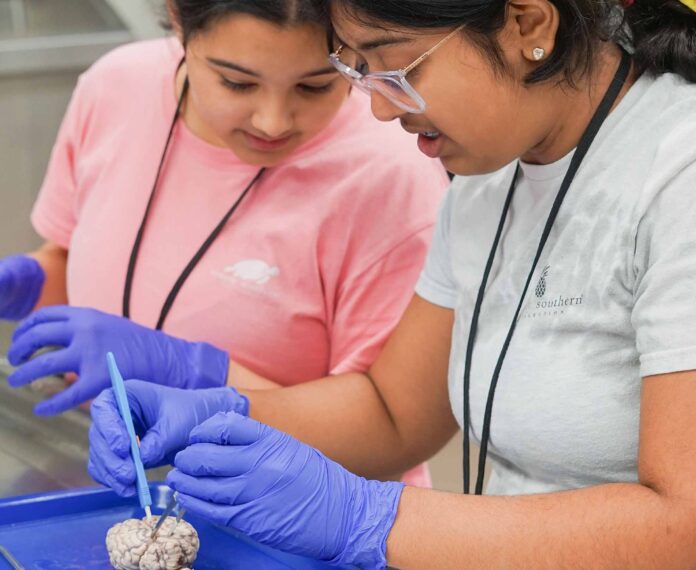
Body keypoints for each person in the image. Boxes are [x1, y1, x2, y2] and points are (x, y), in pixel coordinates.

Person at [89, 0, 696, 567]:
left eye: (397, 64)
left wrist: (367, 517)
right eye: (358, 68)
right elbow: (395, 413)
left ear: (527, 26)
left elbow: (683, 521)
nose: (380, 107)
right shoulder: (488, 174)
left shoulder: (676, 171)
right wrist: (217, 411)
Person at [1, 0, 449, 487]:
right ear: (178, 19)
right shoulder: (115, 86)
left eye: (316, 85)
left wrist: (195, 373)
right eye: (237, 82)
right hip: (109, 478)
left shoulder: (391, 177)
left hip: (286, 515)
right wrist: (38, 282)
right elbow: (78, 262)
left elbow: (387, 435)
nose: (272, 121)